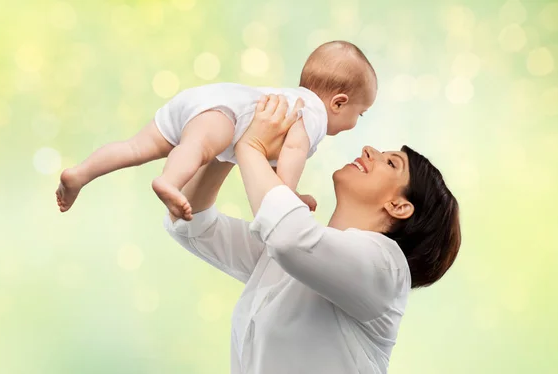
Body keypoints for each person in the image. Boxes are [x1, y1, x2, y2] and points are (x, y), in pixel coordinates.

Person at [165, 95, 461, 373]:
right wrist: (231, 140)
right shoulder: (296, 255)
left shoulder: (386, 270)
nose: (370, 150)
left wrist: (251, 145)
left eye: (391, 162)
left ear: (398, 206)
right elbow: (194, 225)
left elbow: (289, 238)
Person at [55, 41, 377, 219]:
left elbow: (264, 161)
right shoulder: (314, 115)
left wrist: (290, 190)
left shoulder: (290, 99)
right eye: (359, 114)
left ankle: (80, 174)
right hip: (225, 115)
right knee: (196, 148)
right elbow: (292, 154)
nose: (354, 123)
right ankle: (170, 180)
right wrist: (287, 194)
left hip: (203, 99)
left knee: (135, 148)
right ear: (338, 102)